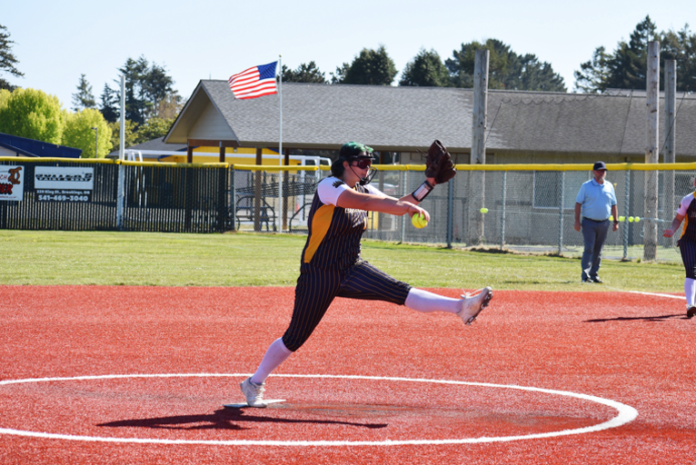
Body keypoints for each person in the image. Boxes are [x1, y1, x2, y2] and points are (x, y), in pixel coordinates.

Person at [236, 141, 494, 408]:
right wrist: (406, 208)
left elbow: (397, 203)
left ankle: (461, 308)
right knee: (295, 338)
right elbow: (367, 203)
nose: (367, 167)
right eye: (362, 162)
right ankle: (253, 383)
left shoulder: (364, 188)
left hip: (351, 267)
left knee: (399, 290)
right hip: (319, 272)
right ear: (346, 164)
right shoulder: (329, 186)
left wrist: (428, 184)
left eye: (369, 163)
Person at [574, 161, 619, 283]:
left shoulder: (609, 186)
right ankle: (585, 275)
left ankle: (594, 274)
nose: (601, 173)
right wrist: (577, 221)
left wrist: (616, 221)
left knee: (598, 250)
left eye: (603, 171)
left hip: (604, 222)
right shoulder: (586, 186)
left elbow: (614, 204)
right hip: (589, 222)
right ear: (593, 172)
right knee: (589, 248)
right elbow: (578, 203)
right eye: (599, 171)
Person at [662, 179, 696, 319]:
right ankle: (690, 305)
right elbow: (678, 219)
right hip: (688, 240)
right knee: (692, 270)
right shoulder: (688, 199)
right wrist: (672, 229)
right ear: (695, 183)